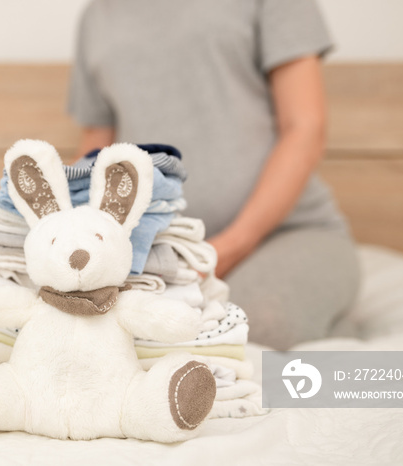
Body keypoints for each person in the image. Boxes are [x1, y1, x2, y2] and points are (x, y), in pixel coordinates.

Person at [67, 0, 361, 350]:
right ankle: (330, 324)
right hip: (164, 250)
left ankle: (335, 329)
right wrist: (15, 225)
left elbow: (305, 129)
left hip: (291, 232)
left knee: (253, 326)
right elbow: (97, 152)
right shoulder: (98, 15)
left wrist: (227, 249)